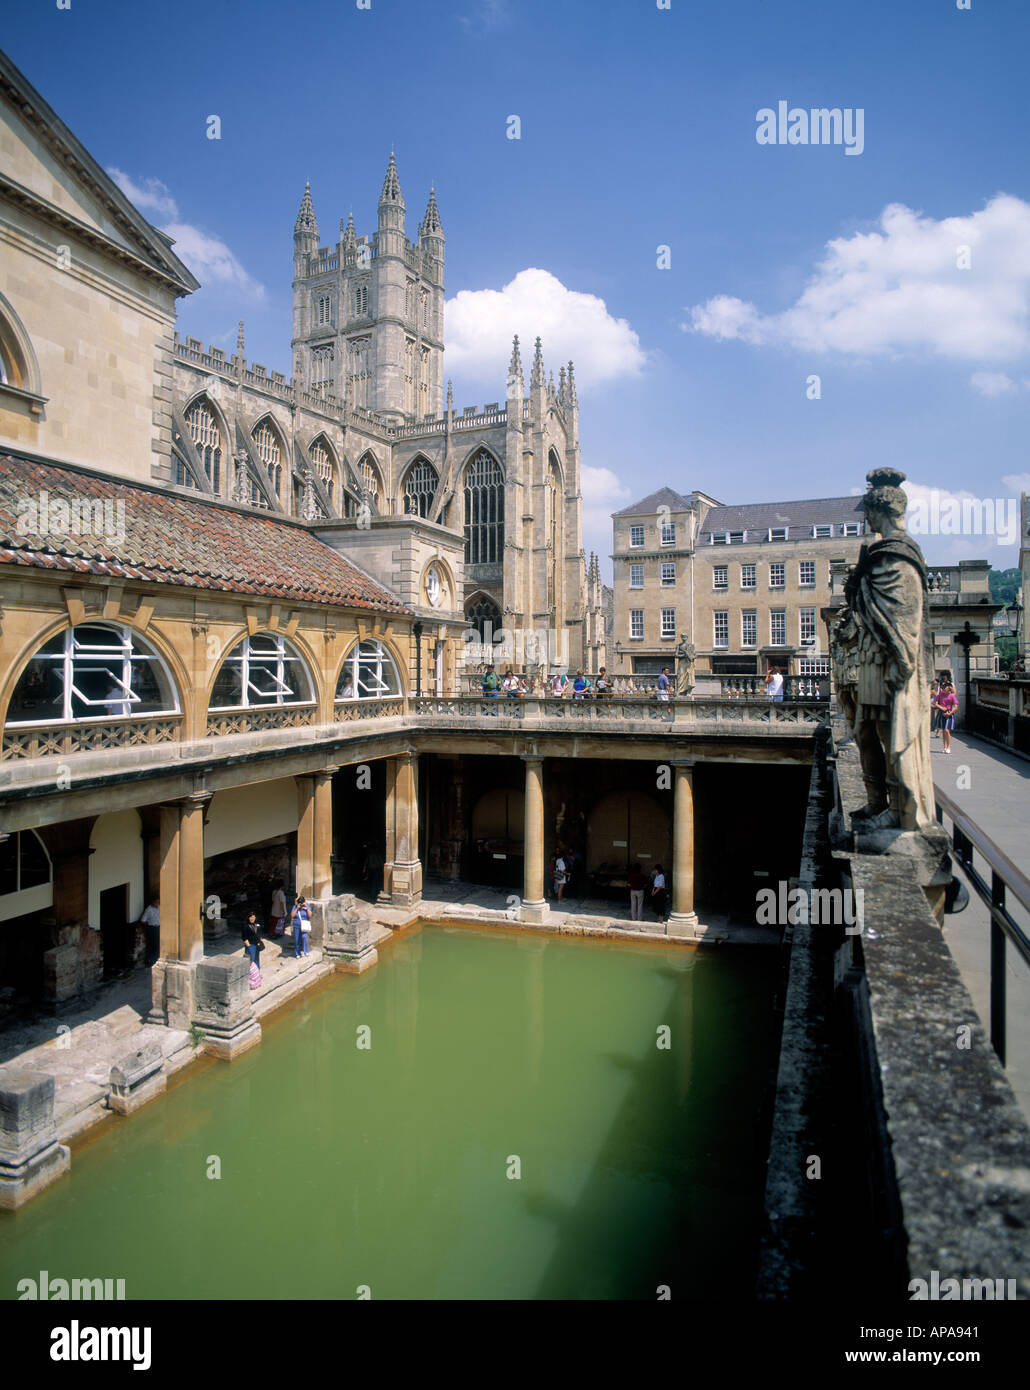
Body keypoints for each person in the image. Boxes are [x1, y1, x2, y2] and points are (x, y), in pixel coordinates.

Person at [933, 678, 959, 753]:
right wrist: (941, 707)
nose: (943, 689)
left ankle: (948, 746)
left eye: (945, 688)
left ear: (949, 688)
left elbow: (956, 706)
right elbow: (934, 702)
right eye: (942, 688)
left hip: (949, 713)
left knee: (947, 730)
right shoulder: (940, 695)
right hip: (942, 712)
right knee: (943, 730)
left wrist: (950, 713)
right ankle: (945, 746)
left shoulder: (951, 696)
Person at [140, 896, 160, 966]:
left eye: (158, 902)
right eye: (156, 902)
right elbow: (143, 920)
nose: (158, 904)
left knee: (157, 944)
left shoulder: (159, 907)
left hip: (159, 926)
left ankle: (153, 959)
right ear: (153, 902)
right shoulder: (149, 910)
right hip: (153, 928)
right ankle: (152, 961)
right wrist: (149, 926)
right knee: (155, 945)